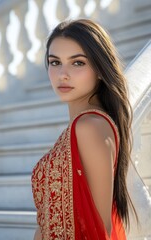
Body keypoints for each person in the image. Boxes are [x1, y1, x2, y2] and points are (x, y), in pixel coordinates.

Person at [31, 19, 138, 240]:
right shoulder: (83, 125)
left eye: (77, 63)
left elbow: (99, 228)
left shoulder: (90, 126)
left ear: (100, 69)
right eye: (54, 62)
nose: (63, 74)